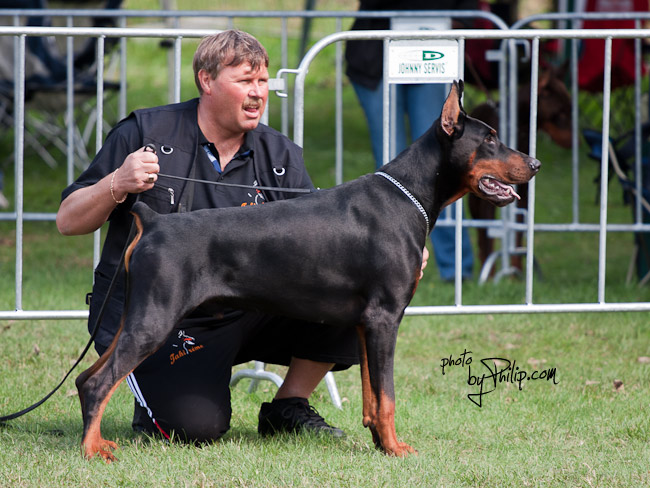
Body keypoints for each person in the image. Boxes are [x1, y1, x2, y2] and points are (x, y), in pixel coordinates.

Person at [56, 30, 363, 443]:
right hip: (157, 316)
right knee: (194, 428)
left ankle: (288, 405)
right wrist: (118, 182)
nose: (257, 93)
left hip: (247, 306)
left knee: (355, 287)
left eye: (262, 81)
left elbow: (318, 241)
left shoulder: (280, 154)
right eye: (245, 81)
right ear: (207, 80)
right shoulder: (145, 131)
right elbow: (68, 221)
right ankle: (157, 390)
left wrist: (382, 253)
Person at [345, 0, 476, 282]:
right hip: (375, 57)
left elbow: (467, 8)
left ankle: (457, 270)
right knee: (389, 171)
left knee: (443, 166)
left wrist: (458, 20)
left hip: (433, 52)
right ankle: (389, 265)